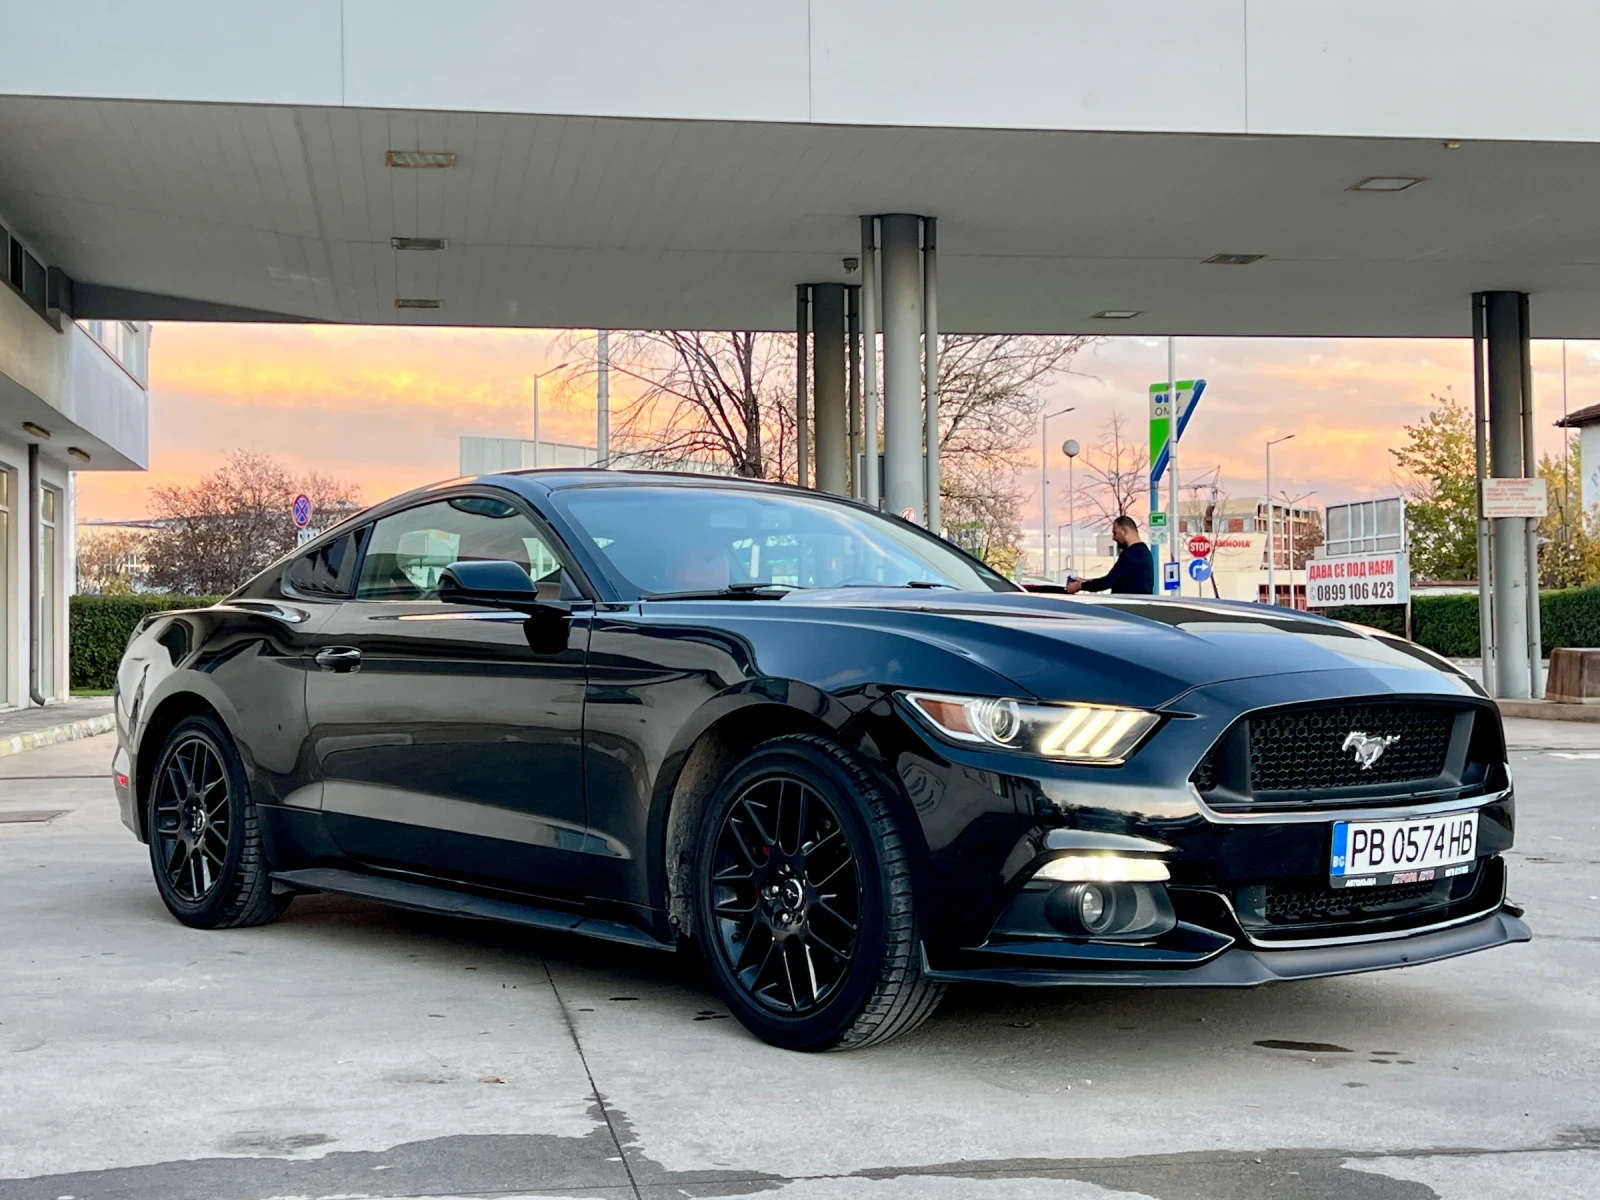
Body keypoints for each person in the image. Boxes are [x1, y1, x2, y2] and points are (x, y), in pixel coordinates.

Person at [1064, 515, 1155, 595]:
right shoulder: (1143, 551)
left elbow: (1109, 581)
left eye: (1115, 533)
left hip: (1129, 608)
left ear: (1124, 531)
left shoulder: (1131, 554)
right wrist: (1085, 581)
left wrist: (1079, 586)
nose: (1113, 538)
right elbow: (1114, 579)